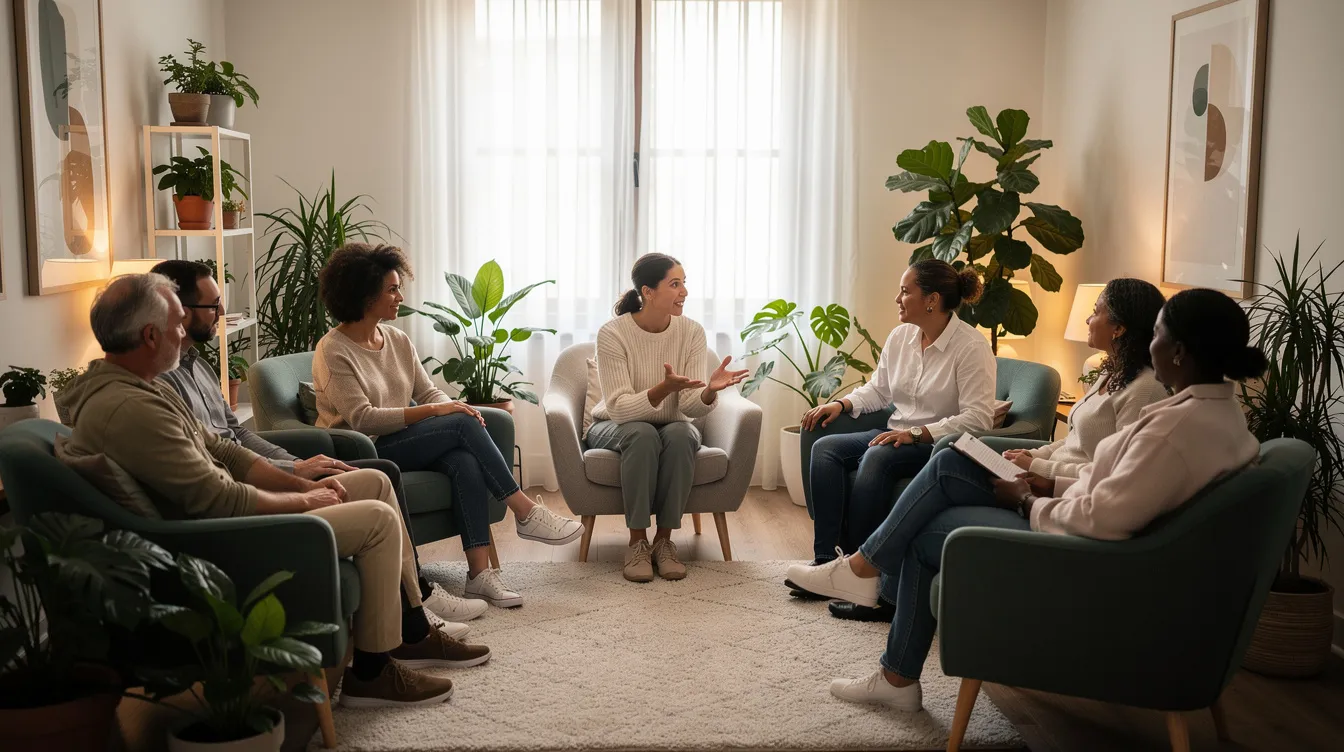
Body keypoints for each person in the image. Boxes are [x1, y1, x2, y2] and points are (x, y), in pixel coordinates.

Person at [808, 287, 1265, 713]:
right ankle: (870, 591)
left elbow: (1105, 514)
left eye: (1160, 336)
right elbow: (1120, 485)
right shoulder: (1216, 415)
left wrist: (1028, 499)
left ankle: (874, 605)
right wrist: (1045, 478)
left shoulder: (1172, 426)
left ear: (1180, 352)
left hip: (1087, 558)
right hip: (1088, 527)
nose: (1152, 346)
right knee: (952, 462)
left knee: (934, 515)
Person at [56, 273, 491, 707]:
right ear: (150, 335)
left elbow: (227, 452)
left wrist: (299, 477)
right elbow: (221, 499)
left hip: (232, 511)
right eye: (176, 323)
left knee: (373, 480)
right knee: (376, 521)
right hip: (226, 536)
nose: (183, 330)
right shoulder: (132, 409)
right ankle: (372, 675)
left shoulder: (145, 388)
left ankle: (411, 631)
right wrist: (305, 498)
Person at [787, 278, 1169, 622]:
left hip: (1043, 490)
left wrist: (1042, 474)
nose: (1088, 319)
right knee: (830, 448)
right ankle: (836, 566)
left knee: (937, 460)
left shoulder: (1145, 391)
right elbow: (1072, 444)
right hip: (1028, 471)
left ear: (1118, 327)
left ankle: (863, 570)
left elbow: (1111, 475)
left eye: (1096, 312)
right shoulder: (1109, 376)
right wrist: (1034, 457)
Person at [150, 260, 488, 630]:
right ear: (175, 310)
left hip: (261, 473)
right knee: (447, 434)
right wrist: (296, 480)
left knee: (398, 471)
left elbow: (238, 435)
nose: (221, 314)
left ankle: (420, 600)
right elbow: (214, 462)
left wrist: (297, 463)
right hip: (245, 495)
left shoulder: (197, 366)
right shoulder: (157, 388)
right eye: (213, 306)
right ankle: (420, 607)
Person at [313, 243, 584, 609]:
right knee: (456, 422)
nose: (400, 296)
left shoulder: (396, 339)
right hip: (366, 449)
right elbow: (363, 419)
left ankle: (478, 576)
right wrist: (439, 413)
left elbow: (428, 391)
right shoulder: (332, 350)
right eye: (392, 289)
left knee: (465, 460)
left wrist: (447, 406)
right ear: (364, 295)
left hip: (401, 440)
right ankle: (524, 510)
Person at [788, 259, 996, 618]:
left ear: (931, 300)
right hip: (894, 430)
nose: (897, 298)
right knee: (825, 449)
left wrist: (916, 433)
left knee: (878, 458)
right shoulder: (901, 337)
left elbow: (978, 417)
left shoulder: (971, 347)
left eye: (905, 290)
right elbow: (879, 391)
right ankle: (826, 565)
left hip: (933, 446)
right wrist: (842, 402)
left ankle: (868, 578)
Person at [587, 253, 749, 583]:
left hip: (672, 423)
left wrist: (708, 392)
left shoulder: (691, 332)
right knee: (642, 434)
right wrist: (662, 389)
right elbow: (618, 408)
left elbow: (689, 406)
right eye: (675, 284)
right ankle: (637, 542)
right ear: (648, 291)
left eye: (684, 283)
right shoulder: (613, 333)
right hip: (614, 424)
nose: (684, 292)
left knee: (682, 435)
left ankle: (664, 541)